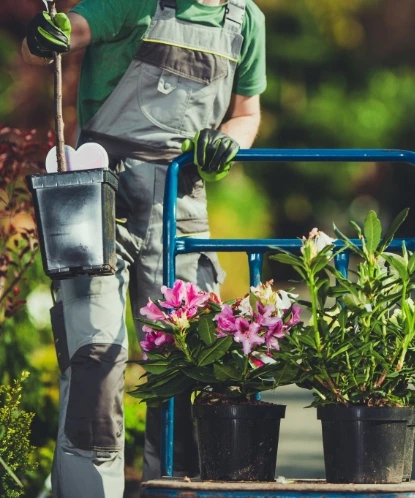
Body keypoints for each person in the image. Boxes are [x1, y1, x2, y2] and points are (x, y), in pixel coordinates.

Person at [22, 0, 266, 496]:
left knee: (186, 365)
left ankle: (172, 486)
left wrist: (229, 143)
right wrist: (40, 37)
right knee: (96, 358)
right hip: (99, 201)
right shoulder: (133, 2)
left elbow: (246, 112)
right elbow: (63, 35)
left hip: (182, 203)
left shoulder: (246, 21)